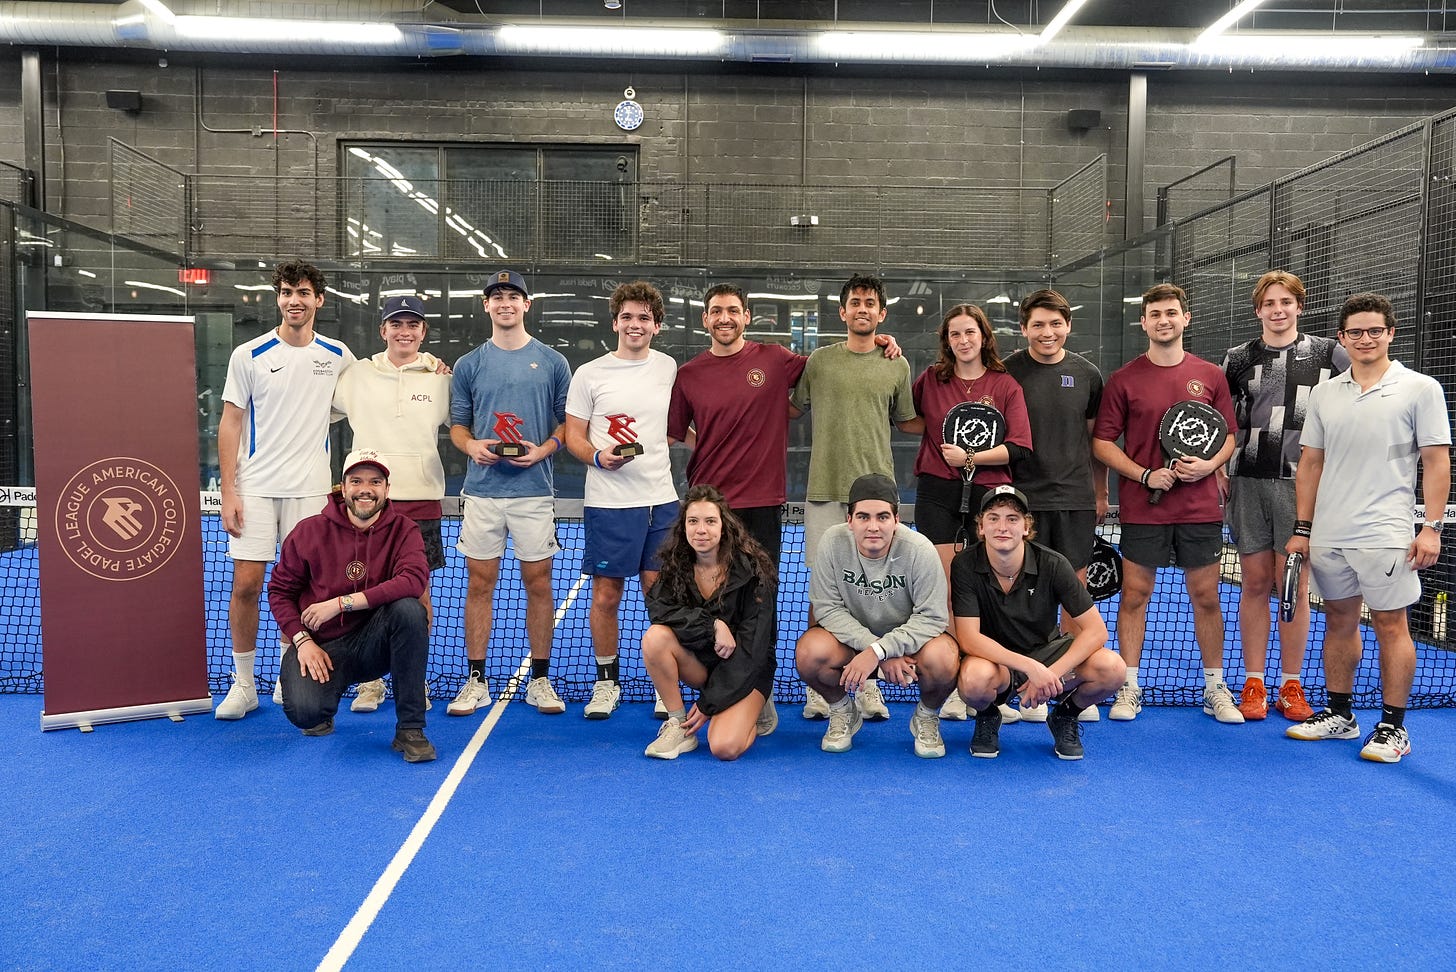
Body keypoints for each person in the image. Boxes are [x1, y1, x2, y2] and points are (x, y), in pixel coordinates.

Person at [1285, 292, 1451, 763]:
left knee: (1390, 624)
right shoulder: (1324, 393)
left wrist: (1432, 527)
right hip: (1330, 533)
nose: (1365, 338)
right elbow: (1311, 464)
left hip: (1388, 534)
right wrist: (1304, 527)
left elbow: (1436, 463)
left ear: (1390, 334)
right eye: (1355, 332)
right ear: (1341, 338)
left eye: (1374, 330)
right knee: (1338, 621)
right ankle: (1340, 714)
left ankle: (1393, 727)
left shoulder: (1421, 388)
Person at [1092, 283, 1240, 724]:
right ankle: (1129, 686)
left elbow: (1229, 435)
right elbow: (1102, 443)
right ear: (1144, 323)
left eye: (1171, 312)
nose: (1163, 320)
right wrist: (1143, 474)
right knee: (1135, 594)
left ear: (1185, 318)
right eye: (1155, 313)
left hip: (1199, 509)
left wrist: (1209, 464)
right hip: (1144, 507)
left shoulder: (1211, 376)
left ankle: (1215, 687)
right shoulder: (1123, 380)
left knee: (1206, 596)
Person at [214, 261, 355, 720]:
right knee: (247, 587)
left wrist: (428, 367)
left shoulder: (338, 355)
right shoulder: (248, 355)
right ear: (278, 298)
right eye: (287, 291)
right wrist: (229, 491)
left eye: (303, 292)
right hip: (254, 490)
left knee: (304, 590)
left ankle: (286, 674)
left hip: (311, 493)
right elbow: (230, 422)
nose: (294, 299)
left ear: (320, 300)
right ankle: (243, 685)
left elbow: (372, 387)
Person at [1219, 271, 1349, 721]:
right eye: (1269, 303)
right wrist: (1221, 466)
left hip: (1303, 487)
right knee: (1254, 583)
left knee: (1293, 586)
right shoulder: (1237, 358)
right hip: (1248, 482)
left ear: (1299, 306)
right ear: (1258, 310)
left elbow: (1351, 411)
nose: (1278, 310)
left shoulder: (1331, 354)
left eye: (1286, 302)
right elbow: (1224, 422)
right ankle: (1253, 682)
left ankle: (1290, 684)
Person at [789, 273, 918, 722]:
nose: (862, 309)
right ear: (842, 313)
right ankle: (820, 687)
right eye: (855, 303)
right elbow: (786, 406)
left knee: (878, 593)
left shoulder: (896, 364)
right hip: (825, 492)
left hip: (878, 497)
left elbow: (908, 420)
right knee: (823, 591)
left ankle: (868, 684)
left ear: (881, 314)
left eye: (870, 303)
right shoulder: (818, 362)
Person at [447, 270, 571, 717]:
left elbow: (566, 424)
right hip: (481, 493)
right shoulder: (468, 365)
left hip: (534, 493)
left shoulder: (554, 362)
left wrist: (545, 449)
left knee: (538, 584)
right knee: (480, 584)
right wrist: (471, 446)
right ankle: (476, 679)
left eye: (513, 297)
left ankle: (540, 679)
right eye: (496, 297)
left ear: (526, 305)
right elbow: (458, 425)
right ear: (486, 306)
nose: (505, 303)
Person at [268, 450, 435, 762]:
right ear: (342, 488)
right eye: (356, 481)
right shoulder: (309, 531)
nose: (365, 489)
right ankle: (323, 706)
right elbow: (279, 591)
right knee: (305, 714)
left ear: (386, 489)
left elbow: (413, 580)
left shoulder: (404, 530)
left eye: (375, 481)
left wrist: (341, 604)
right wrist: (302, 641)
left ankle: (410, 729)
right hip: (322, 648)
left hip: (376, 642)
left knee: (410, 610)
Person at [564, 280, 680, 719]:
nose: (635, 324)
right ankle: (606, 682)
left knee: (660, 594)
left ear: (657, 326)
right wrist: (597, 456)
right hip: (609, 504)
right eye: (628, 317)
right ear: (615, 322)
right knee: (607, 596)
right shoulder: (589, 374)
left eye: (644, 318)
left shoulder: (668, 367)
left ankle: (662, 682)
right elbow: (574, 436)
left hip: (662, 501)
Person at [332, 294, 450, 714]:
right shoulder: (355, 376)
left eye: (413, 325)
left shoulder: (442, 378)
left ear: (423, 332)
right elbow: (314, 411)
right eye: (396, 324)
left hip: (421, 502)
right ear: (382, 330)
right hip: (365, 500)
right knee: (362, 588)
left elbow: (464, 425)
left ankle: (411, 678)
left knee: (417, 596)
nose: (405, 331)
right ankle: (369, 682)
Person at [952, 486, 1124, 759]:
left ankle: (1065, 716)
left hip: (1047, 652)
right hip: (997, 662)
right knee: (973, 682)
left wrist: (1050, 673)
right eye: (993, 518)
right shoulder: (964, 565)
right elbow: (969, 638)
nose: (1002, 527)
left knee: (1113, 669)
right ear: (981, 527)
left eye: (1012, 518)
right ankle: (987, 716)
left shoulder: (1054, 564)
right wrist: (1030, 668)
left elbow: (1096, 631)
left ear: (1026, 527)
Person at [794, 474, 960, 757]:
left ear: (897, 519)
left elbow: (932, 617)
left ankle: (927, 716)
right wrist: (875, 649)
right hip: (852, 644)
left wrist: (881, 650)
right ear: (850, 520)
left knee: (944, 659)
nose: (873, 526)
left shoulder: (920, 550)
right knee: (810, 653)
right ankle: (842, 710)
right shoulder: (832, 544)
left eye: (883, 517)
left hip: (909, 646)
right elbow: (827, 608)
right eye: (863, 517)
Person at [1004, 288, 1108, 724]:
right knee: (1013, 592)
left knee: (1071, 594)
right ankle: (1009, 684)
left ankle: (1060, 683)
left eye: (1055, 323)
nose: (1047, 332)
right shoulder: (1006, 372)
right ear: (1024, 328)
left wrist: (1100, 494)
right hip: (1022, 501)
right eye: (1038, 324)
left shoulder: (1087, 375)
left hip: (1074, 501)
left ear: (1068, 325)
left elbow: (1094, 441)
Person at [641, 485, 778, 761]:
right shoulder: (677, 564)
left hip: (747, 669)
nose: (701, 530)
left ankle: (752, 709)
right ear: (684, 527)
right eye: (693, 521)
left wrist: (707, 705)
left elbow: (753, 651)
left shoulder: (753, 570)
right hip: (704, 663)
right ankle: (679, 726)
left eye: (710, 521)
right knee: (655, 638)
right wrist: (712, 625)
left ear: (724, 526)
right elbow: (659, 609)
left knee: (724, 748)